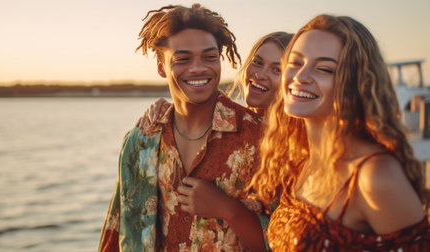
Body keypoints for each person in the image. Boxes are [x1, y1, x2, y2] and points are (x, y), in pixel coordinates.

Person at [249, 14, 430, 251]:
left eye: (324, 69)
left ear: (355, 83)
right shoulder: (303, 161)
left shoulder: (372, 175)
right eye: (294, 63)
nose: (301, 77)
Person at [98, 4, 266, 251]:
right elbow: (117, 233)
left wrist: (229, 209)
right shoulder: (141, 141)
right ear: (161, 66)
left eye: (209, 57)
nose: (198, 67)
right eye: (183, 59)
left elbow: (283, 242)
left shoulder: (259, 136)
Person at [228, 31, 293, 115]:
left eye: (277, 70)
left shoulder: (298, 128)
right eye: (257, 62)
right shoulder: (231, 120)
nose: (260, 75)